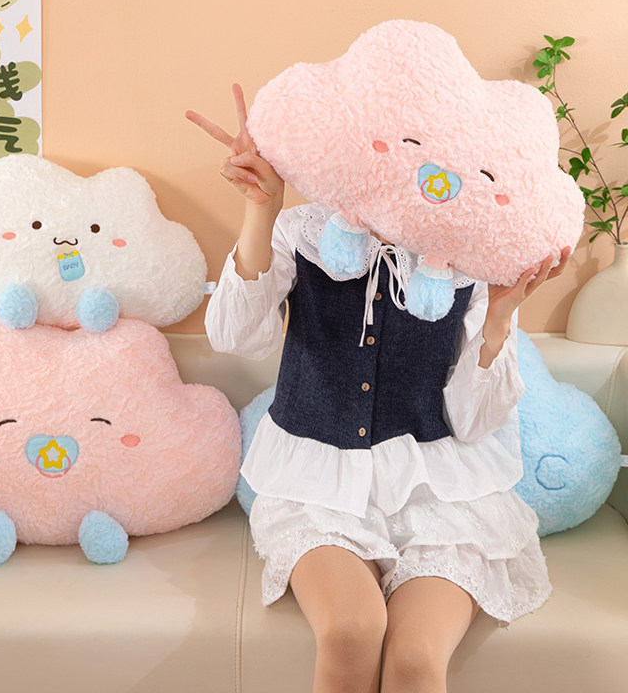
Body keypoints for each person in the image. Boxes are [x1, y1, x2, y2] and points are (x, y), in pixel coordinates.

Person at [186, 84, 571, 693]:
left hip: (440, 495)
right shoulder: (303, 232)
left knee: (416, 657)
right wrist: (262, 210)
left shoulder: (474, 257)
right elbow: (235, 336)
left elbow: (474, 420)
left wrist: (499, 319)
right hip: (316, 487)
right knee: (350, 631)